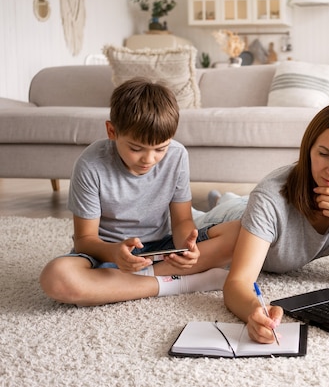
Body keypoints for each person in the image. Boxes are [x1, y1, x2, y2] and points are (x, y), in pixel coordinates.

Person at [196, 102, 329, 343]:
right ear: (309, 150)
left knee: (239, 204)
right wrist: (253, 312)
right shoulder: (269, 198)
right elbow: (237, 282)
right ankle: (219, 202)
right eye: (324, 154)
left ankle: (223, 197)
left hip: (249, 209)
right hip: (224, 221)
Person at [39, 78, 239, 306]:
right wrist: (115, 254)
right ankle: (180, 283)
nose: (149, 159)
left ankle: (123, 285)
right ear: (111, 131)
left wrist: (188, 248)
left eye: (160, 148)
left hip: (163, 249)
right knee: (56, 277)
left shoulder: (177, 155)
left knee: (244, 232)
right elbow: (85, 240)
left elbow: (182, 219)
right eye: (136, 148)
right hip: (107, 254)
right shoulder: (91, 164)